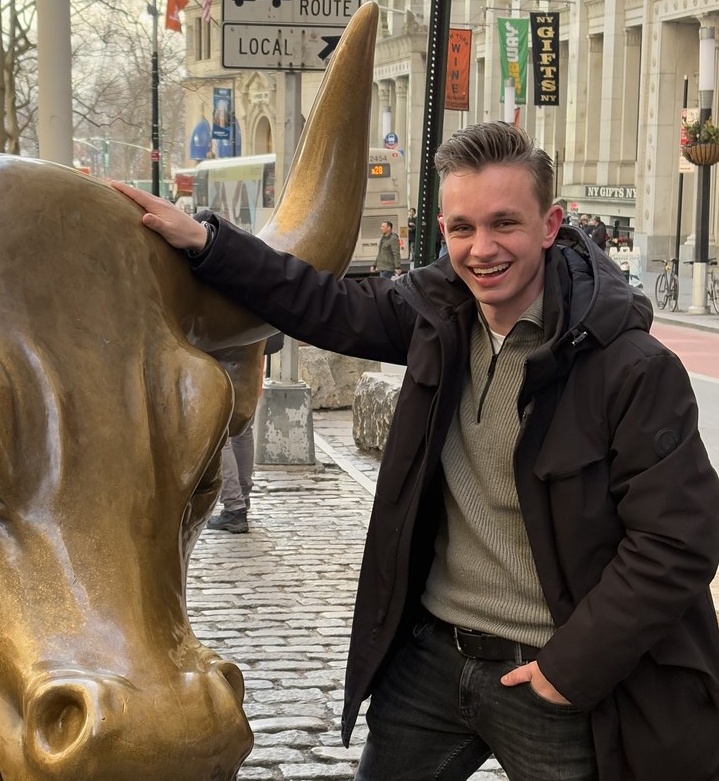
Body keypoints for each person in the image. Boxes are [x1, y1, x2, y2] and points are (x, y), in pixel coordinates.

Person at [112, 122, 719, 781]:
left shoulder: (630, 367)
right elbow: (323, 304)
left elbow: (677, 542)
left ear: (550, 225)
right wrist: (207, 244)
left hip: (550, 677)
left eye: (504, 224)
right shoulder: (438, 318)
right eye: (462, 228)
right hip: (433, 661)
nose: (482, 249)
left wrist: (567, 672)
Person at [207, 331, 284, 535]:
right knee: (242, 431)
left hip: (223, 358)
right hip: (252, 357)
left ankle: (234, 507)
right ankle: (242, 496)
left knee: (220, 436)